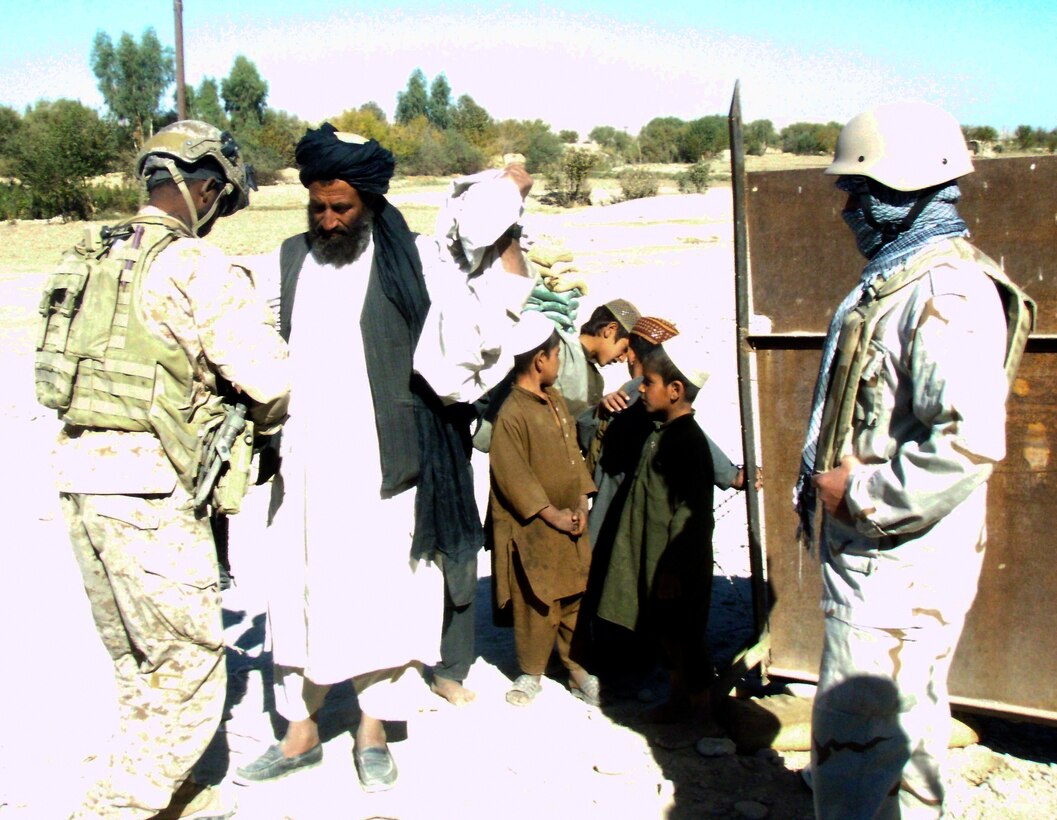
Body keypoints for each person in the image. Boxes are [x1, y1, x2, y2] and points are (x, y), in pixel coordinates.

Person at [236, 125, 533, 792]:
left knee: (383, 591)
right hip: (303, 468)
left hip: (384, 466)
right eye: (318, 206)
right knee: (297, 589)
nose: (328, 219)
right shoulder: (288, 261)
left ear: (368, 201)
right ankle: (300, 731)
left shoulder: (415, 264)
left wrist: (508, 228)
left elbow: (480, 325)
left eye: (340, 207)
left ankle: (373, 729)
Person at [43, 121, 290, 819]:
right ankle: (119, 808)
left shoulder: (90, 251)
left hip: (79, 479)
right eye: (220, 196)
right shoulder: (195, 265)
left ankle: (167, 789)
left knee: (138, 656)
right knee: (188, 661)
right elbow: (270, 381)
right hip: (150, 490)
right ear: (207, 186)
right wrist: (260, 433)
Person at [795, 102, 1034, 819]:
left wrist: (858, 495)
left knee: (854, 751)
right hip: (893, 569)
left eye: (856, 191)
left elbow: (966, 442)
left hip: (895, 571)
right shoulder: (903, 277)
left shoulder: (942, 293)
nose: (845, 209)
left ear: (896, 195)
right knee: (909, 731)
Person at [595, 335, 718, 729]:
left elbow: (693, 517)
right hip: (654, 557)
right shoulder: (659, 430)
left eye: (648, 383)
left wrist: (673, 570)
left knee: (683, 639)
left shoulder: (687, 443)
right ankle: (679, 702)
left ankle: (701, 713)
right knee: (667, 634)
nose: (641, 389)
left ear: (676, 390)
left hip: (673, 565)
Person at [489, 312, 599, 707]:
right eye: (556, 356)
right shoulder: (512, 413)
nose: (558, 364)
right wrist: (550, 513)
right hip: (535, 526)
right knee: (537, 599)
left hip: (570, 519)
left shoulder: (555, 401)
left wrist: (582, 499)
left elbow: (573, 453)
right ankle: (532, 670)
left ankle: (575, 667)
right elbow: (511, 474)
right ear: (540, 360)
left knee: (573, 594)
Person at [553, 299, 641, 419]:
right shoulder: (559, 350)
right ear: (610, 330)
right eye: (624, 349)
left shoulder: (597, 380)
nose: (622, 359)